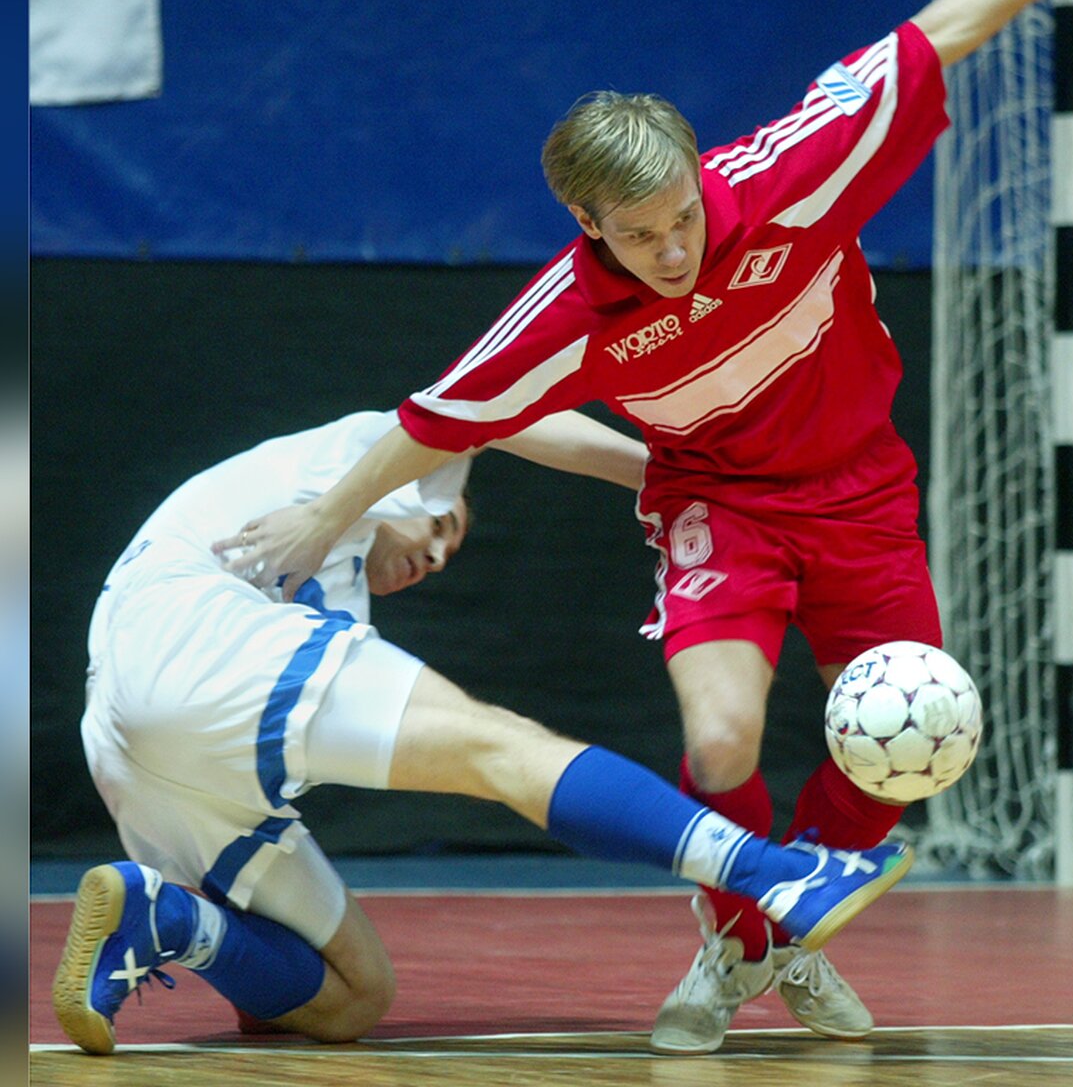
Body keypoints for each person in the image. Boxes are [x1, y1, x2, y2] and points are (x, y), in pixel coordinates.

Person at [216, 0, 1073, 1056]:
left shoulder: (790, 179)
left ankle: (778, 941)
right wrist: (331, 511)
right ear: (583, 218)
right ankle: (742, 937)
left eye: (681, 218)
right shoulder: (567, 314)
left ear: (697, 175)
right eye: (640, 232)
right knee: (720, 743)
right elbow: (443, 415)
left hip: (862, 490)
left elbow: (940, 31)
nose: (673, 250)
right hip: (720, 507)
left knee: (914, 742)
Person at [54, 407, 913, 1057]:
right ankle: (778, 874)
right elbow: (507, 416)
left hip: (132, 740)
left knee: (352, 999)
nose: (433, 556)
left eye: (444, 555)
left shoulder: (331, 569)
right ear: (419, 490)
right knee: (501, 748)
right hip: (187, 636)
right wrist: (677, 480)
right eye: (439, 531)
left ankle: (164, 919)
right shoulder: (360, 453)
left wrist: (433, 509)